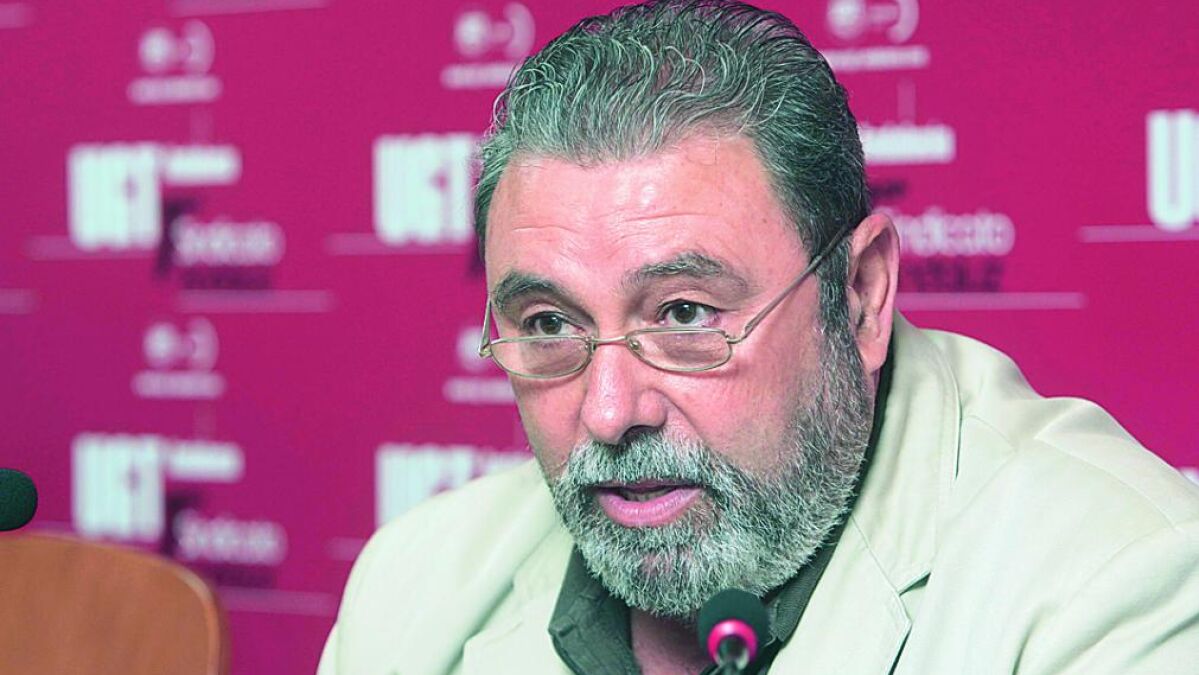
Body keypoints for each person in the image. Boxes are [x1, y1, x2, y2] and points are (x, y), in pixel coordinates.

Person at [319, 1, 1199, 673]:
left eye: (684, 313)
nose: (610, 412)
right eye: (550, 324)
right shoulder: (414, 587)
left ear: (859, 294)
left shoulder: (1115, 588)